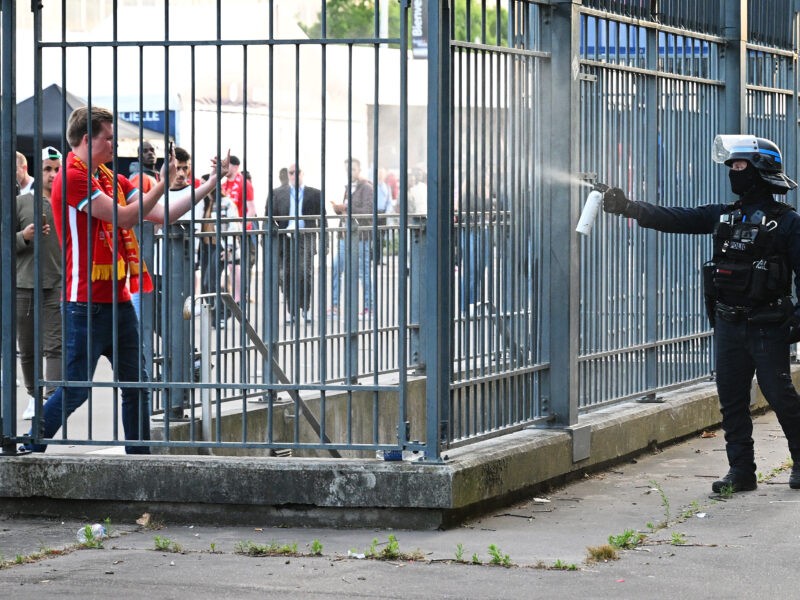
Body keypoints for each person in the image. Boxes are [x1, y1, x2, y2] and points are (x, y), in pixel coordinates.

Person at [602, 134, 800, 493]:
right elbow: (676, 218)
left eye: (739, 166)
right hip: (728, 322)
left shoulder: (787, 222)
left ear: (759, 170)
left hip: (767, 325)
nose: (733, 172)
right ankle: (741, 471)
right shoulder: (724, 215)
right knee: (731, 401)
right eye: (731, 167)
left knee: (780, 395)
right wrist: (628, 206)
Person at [25, 105, 176, 454]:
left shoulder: (108, 178)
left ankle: (140, 459)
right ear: (84, 139)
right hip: (84, 304)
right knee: (77, 388)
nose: (113, 145)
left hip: (118, 300)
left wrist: (207, 185)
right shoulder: (72, 177)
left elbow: (161, 214)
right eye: (107, 138)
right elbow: (126, 219)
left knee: (137, 384)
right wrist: (163, 183)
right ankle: (31, 442)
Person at [15, 146, 63, 420]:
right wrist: (25, 235)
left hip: (56, 283)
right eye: (47, 169)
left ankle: (51, 399)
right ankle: (34, 396)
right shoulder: (22, 203)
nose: (53, 175)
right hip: (24, 285)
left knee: (55, 345)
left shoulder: (67, 202)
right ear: (37, 171)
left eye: (57, 170)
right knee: (28, 347)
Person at [267, 164, 322, 322]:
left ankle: (305, 307)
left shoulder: (314, 194)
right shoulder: (277, 194)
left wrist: (325, 244)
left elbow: (322, 219)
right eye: (291, 173)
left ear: (302, 173)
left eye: (297, 172)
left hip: (305, 237)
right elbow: (268, 219)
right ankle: (292, 311)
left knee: (304, 274)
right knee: (285, 276)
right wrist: (268, 245)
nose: (294, 176)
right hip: (285, 238)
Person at [330, 158, 374, 318]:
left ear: (359, 169)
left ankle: (370, 308)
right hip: (345, 235)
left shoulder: (367, 188)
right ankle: (335, 306)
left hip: (360, 237)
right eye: (347, 169)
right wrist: (338, 209)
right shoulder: (349, 188)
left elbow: (368, 211)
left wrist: (346, 208)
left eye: (353, 169)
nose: (350, 172)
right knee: (336, 268)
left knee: (364, 273)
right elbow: (346, 211)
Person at [221, 155, 257, 305]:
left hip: (242, 232)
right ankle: (234, 293)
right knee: (231, 265)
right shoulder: (223, 184)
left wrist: (241, 228)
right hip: (227, 232)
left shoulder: (244, 183)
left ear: (235, 167)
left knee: (242, 264)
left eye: (226, 165)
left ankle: (241, 295)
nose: (224, 168)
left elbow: (251, 209)